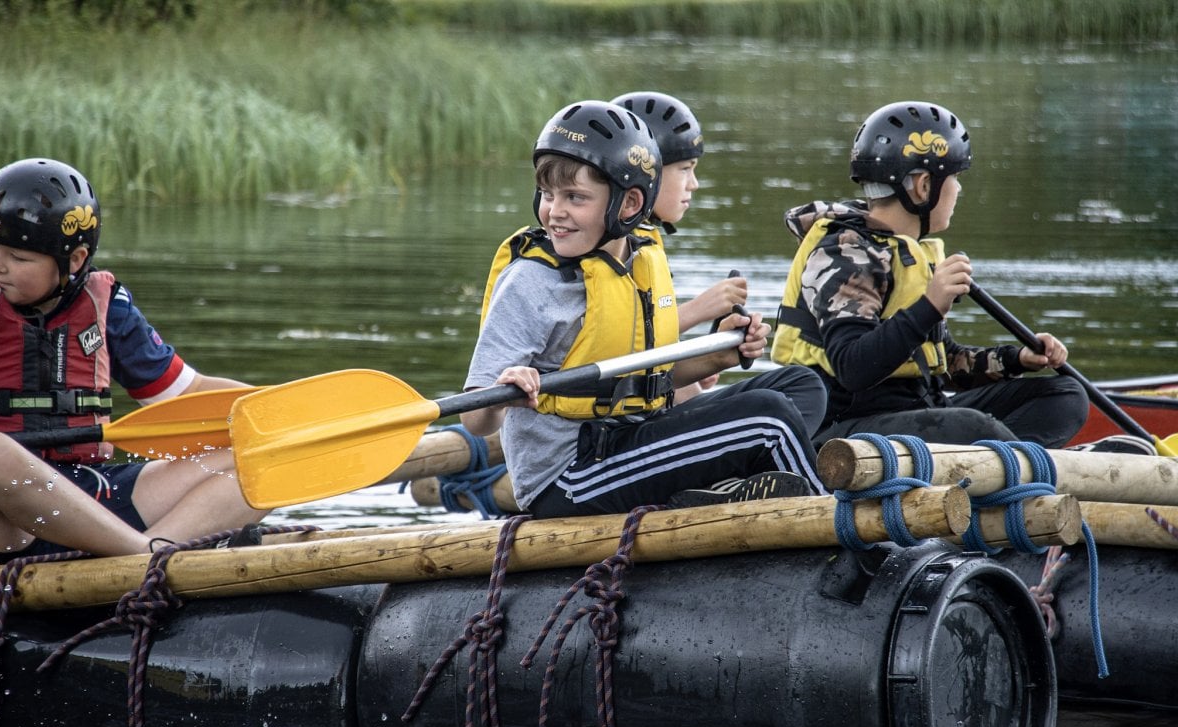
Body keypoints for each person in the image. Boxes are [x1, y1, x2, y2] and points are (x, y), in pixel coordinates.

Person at [462, 100, 827, 519]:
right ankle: (833, 539)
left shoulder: (640, 258)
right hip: (569, 476)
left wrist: (721, 354)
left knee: (801, 386)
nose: (555, 212)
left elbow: (646, 381)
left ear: (630, 204)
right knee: (770, 418)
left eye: (575, 197)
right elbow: (476, 422)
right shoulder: (531, 282)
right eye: (548, 195)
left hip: (631, 437)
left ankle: (728, 492)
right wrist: (505, 390)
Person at [0, 157, 269, 565]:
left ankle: (152, 554)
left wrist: (277, 414)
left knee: (260, 465)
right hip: (2, 519)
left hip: (92, 495)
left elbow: (189, 393)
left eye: (19, 257)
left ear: (75, 260)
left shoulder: (108, 309)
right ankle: (143, 559)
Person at [771, 100, 1089, 450]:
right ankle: (1020, 473)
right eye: (953, 178)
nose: (958, 190)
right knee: (971, 426)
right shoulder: (845, 251)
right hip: (843, 431)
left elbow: (944, 361)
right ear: (924, 186)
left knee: (1064, 394)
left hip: (916, 412)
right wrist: (930, 305)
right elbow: (853, 367)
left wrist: (1016, 359)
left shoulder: (908, 251)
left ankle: (999, 468)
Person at [611, 90, 746, 403]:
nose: (694, 183)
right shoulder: (607, 247)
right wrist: (701, 309)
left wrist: (706, 357)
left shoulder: (645, 245)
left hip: (644, 405)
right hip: (607, 429)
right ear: (646, 175)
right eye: (685, 169)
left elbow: (651, 349)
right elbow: (611, 342)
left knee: (795, 386)